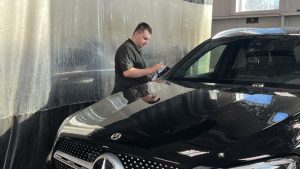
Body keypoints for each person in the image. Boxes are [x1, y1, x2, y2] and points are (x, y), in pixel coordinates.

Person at [111, 22, 164, 103]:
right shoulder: (126, 48)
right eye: (145, 38)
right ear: (136, 34)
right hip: (125, 98)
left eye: (148, 40)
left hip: (136, 95)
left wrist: (152, 79)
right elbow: (128, 72)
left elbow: (138, 75)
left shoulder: (136, 50)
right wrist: (152, 69)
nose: (147, 42)